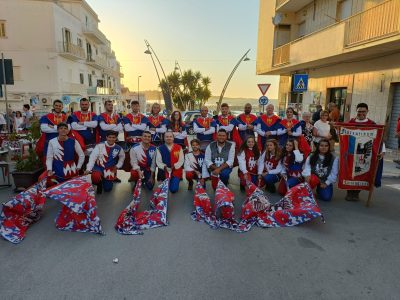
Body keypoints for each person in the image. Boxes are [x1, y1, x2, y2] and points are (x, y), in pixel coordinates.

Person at [345, 102, 386, 201]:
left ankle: (356, 193)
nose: (361, 113)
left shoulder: (372, 125)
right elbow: (343, 135)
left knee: (361, 173)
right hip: (352, 153)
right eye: (359, 111)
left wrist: (383, 151)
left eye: (363, 111)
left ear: (367, 111)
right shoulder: (350, 122)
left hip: (364, 153)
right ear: (356, 111)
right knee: (350, 173)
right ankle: (349, 192)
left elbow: (379, 139)